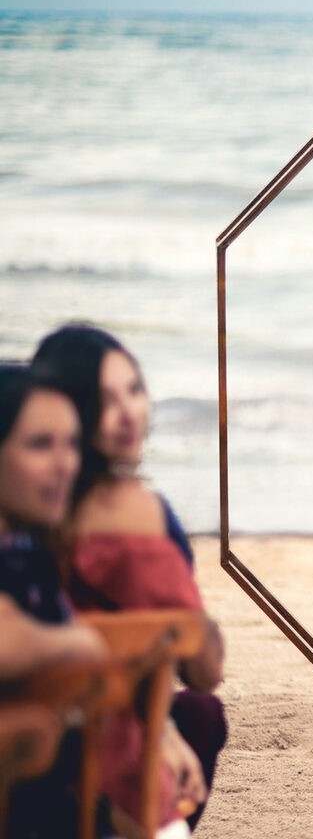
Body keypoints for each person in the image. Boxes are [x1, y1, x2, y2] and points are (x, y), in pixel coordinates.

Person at [32, 324, 226, 830]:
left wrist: (160, 729)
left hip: (42, 753)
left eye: (135, 390)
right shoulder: (147, 521)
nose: (129, 415)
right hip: (107, 767)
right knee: (204, 711)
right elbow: (203, 668)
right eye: (105, 401)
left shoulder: (21, 510)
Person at [0, 363, 111, 837]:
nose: (66, 463)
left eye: (71, 443)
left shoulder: (30, 550)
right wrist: (79, 645)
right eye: (41, 444)